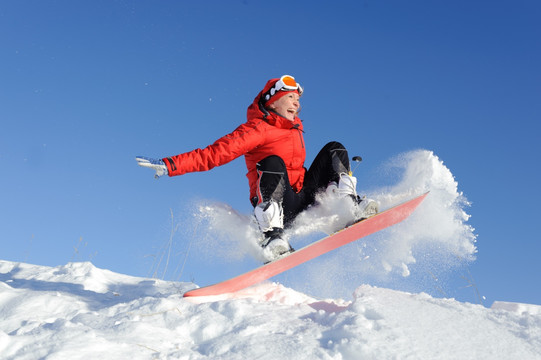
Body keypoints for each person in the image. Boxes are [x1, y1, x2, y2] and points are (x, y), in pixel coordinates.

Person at [136, 75, 378, 262]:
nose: (297, 102)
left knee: (333, 148)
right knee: (272, 162)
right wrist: (170, 165)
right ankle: (271, 236)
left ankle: (347, 205)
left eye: (298, 99)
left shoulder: (294, 128)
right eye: (291, 96)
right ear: (274, 99)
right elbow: (214, 154)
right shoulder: (256, 129)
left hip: (303, 197)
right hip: (280, 207)